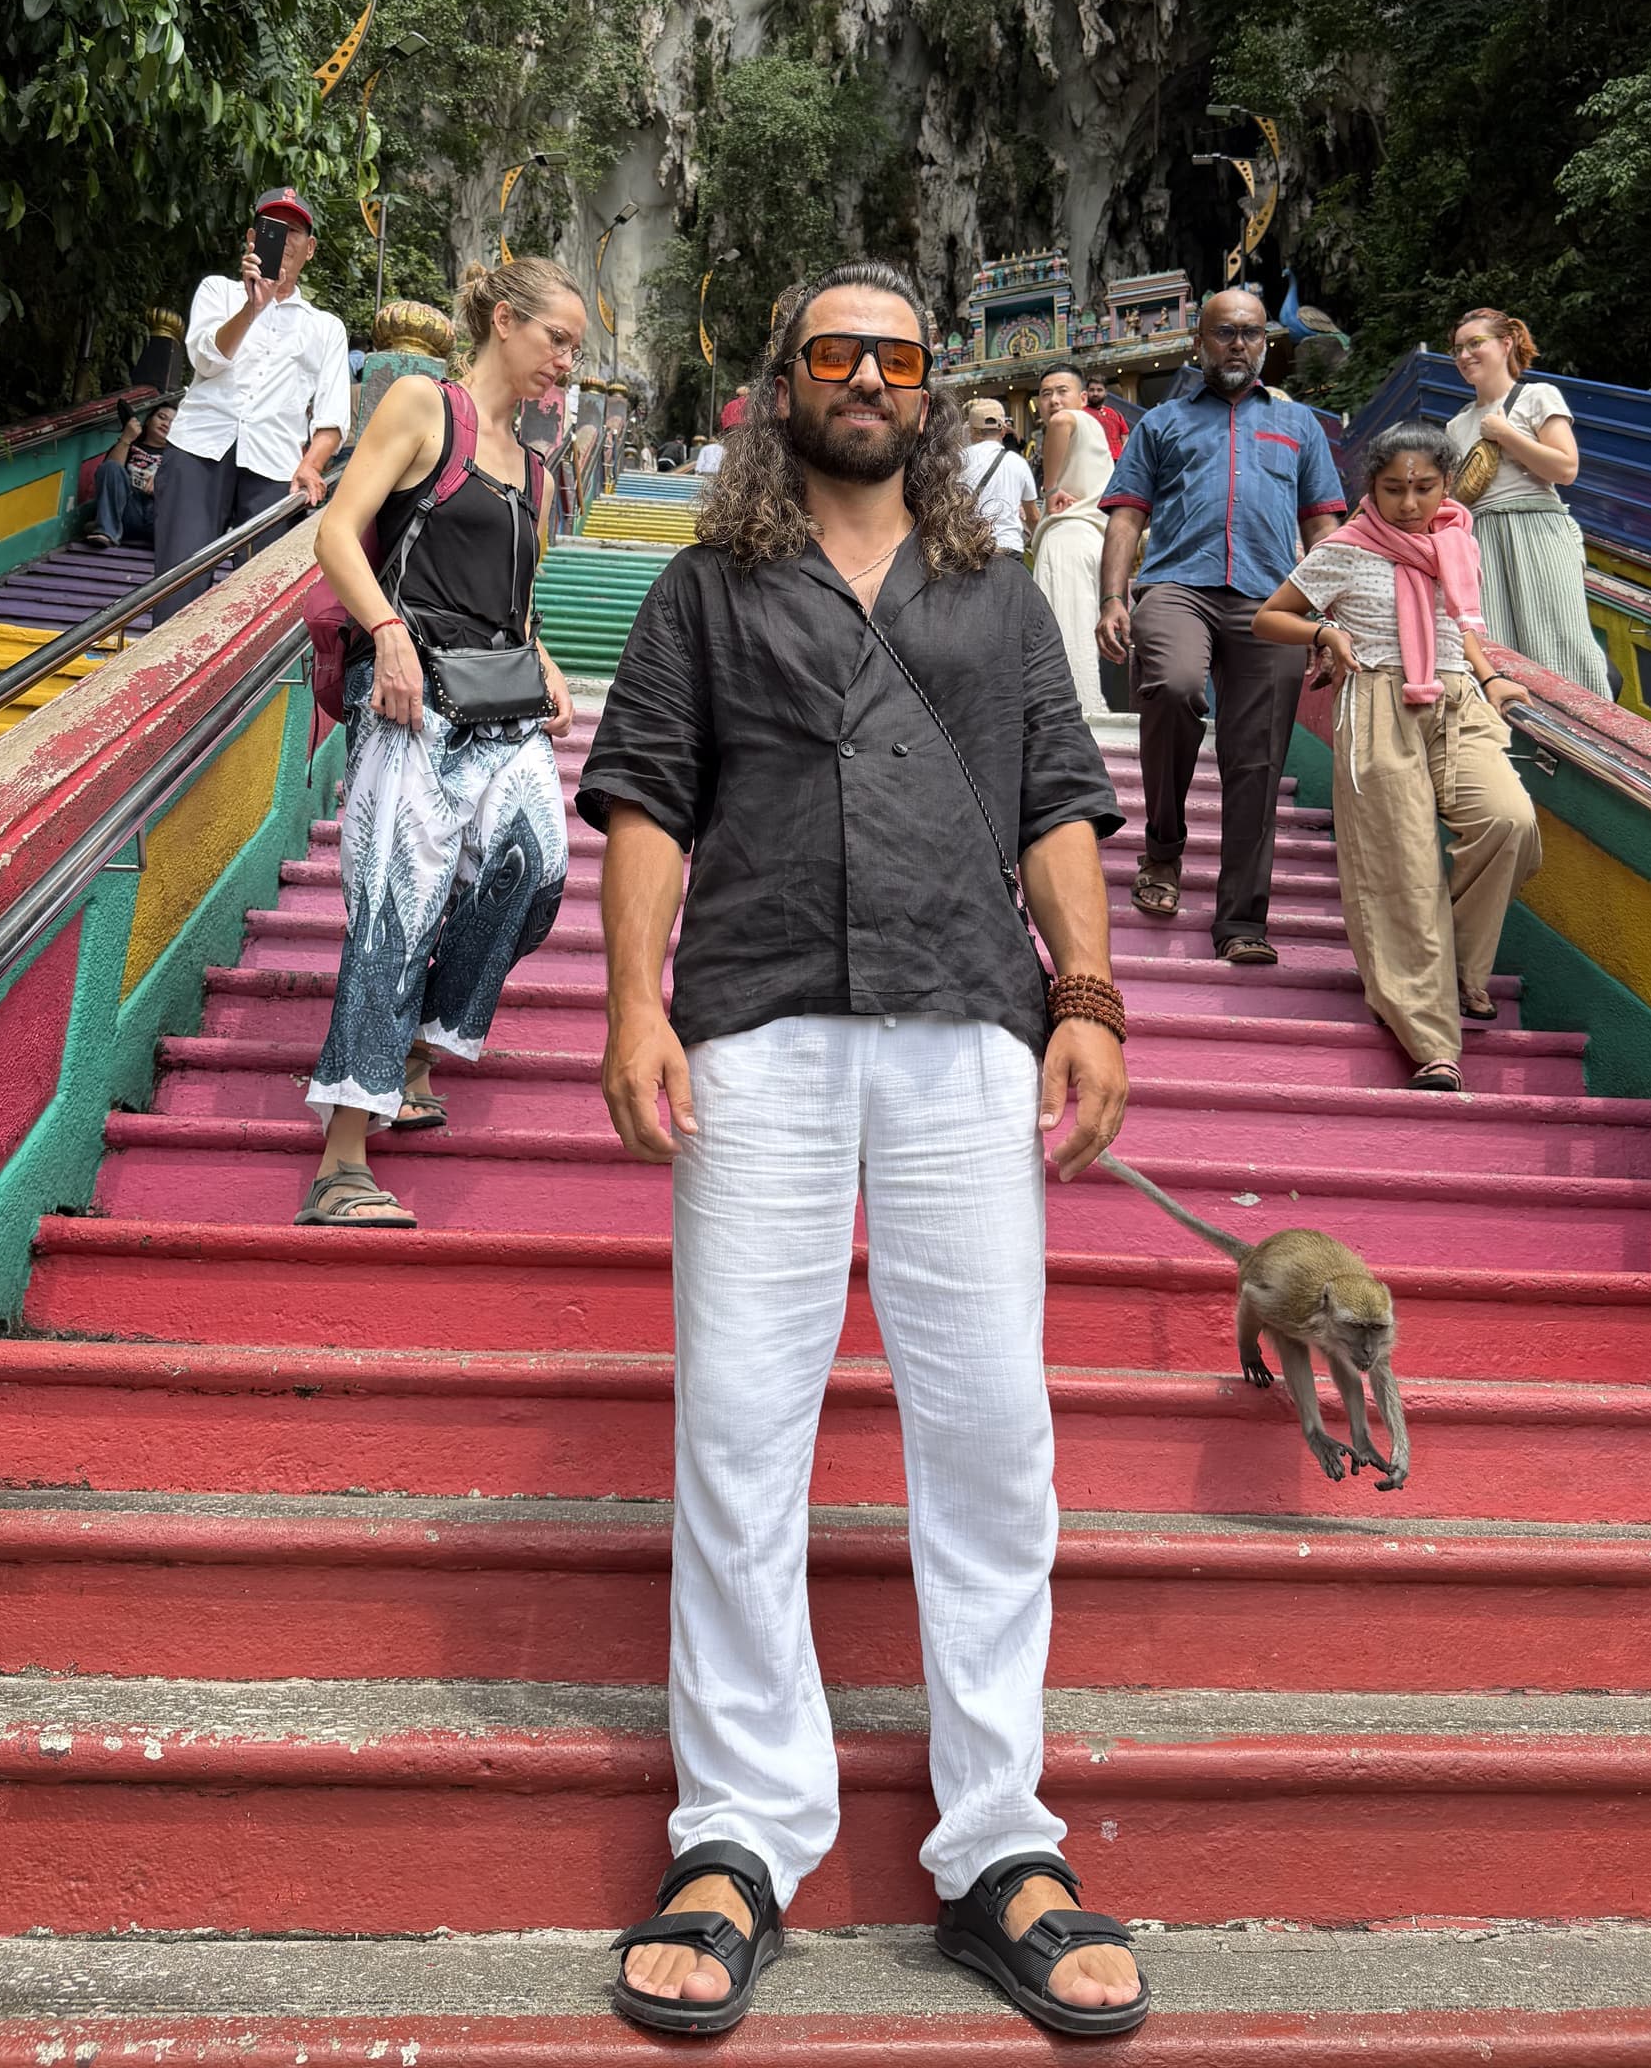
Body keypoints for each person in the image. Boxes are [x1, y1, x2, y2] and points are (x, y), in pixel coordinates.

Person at [578, 259, 1148, 2042]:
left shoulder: (992, 604)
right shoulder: (701, 591)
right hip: (754, 1023)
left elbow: (1058, 799)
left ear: (935, 390)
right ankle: (738, 1830)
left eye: (900, 355)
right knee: (742, 1427)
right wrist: (632, 1006)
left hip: (964, 1025)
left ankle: (998, 1840)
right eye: (839, 350)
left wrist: (1092, 994)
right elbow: (651, 800)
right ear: (785, 380)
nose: (871, 378)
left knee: (988, 1431)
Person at [298, 256, 583, 1227]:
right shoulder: (427, 406)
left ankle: (420, 1037)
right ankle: (342, 1160)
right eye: (558, 340)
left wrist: (541, 654)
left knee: (538, 867)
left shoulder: (535, 460)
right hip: (413, 697)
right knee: (397, 904)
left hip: (501, 705)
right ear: (505, 322)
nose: (567, 364)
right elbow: (338, 532)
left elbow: (512, 591)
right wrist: (385, 633)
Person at [1253, 422, 1541, 1088]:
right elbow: (1270, 617)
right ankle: (1430, 1038)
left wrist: (1491, 673)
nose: (1409, 504)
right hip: (1381, 703)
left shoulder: (1457, 543)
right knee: (1404, 871)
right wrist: (1325, 630)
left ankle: (1462, 971)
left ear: (1445, 484)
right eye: (1393, 489)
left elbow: (1460, 626)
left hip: (1458, 703)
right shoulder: (1347, 549)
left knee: (1508, 822)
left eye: (1423, 488)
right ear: (1370, 488)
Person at [1096, 288, 1344, 964]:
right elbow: (1125, 517)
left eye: (1252, 333)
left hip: (1274, 603)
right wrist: (1113, 599)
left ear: (1267, 343)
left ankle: (1241, 920)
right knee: (1174, 686)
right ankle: (1164, 849)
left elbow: (1324, 527)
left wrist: (1333, 620)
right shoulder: (1161, 424)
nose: (1239, 343)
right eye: (1225, 332)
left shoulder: (1300, 429)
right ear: (1198, 343)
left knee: (1258, 755)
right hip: (1177, 586)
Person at [155, 188, 351, 621]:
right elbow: (206, 359)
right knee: (177, 587)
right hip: (198, 450)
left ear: (310, 248)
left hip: (275, 467)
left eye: (294, 231)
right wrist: (251, 306)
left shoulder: (325, 327)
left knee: (262, 602)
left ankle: (245, 689)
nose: (283, 240)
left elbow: (333, 418)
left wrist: (311, 465)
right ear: (251, 239)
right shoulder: (218, 292)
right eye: (272, 229)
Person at [1445, 309, 1612, 699]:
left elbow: (1566, 468)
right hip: (1480, 536)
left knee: (1560, 636)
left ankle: (1588, 726)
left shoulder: (1536, 395)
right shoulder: (1456, 426)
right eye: (1457, 349)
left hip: (1536, 525)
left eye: (1475, 344)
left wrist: (1504, 433)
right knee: (1497, 642)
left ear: (1506, 344)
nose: (1464, 355)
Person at [1031, 363, 1122, 723]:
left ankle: (1075, 715)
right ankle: (1082, 708)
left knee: (1064, 632)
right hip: (1094, 538)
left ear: (1083, 397)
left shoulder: (1069, 422)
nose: (1053, 401)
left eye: (1062, 391)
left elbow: (1058, 423)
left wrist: (1051, 489)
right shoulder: (1095, 430)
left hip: (1068, 537)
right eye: (1045, 393)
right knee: (1079, 628)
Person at [88, 399, 174, 549]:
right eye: (161, 417)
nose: (166, 424)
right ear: (148, 420)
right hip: (127, 511)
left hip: (157, 517)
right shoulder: (129, 446)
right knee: (111, 467)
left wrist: (162, 484)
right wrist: (127, 438)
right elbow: (108, 474)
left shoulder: (178, 457)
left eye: (173, 422)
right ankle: (106, 531)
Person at [959, 396, 1039, 555]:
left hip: (971, 551)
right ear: (1003, 431)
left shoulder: (959, 460)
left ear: (973, 432)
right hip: (1009, 548)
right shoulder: (1018, 463)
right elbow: (1033, 516)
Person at [1081, 372, 1129, 459]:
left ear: (1105, 392)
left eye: (1099, 390)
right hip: (1092, 461)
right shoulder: (1080, 413)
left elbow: (1125, 439)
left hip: (1116, 462)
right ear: (1086, 392)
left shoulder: (1116, 414)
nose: (1095, 393)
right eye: (1092, 390)